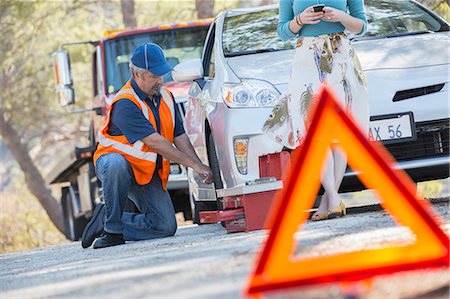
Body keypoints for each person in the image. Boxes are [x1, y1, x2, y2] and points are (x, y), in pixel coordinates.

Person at [81, 43, 213, 249]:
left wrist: (199, 166)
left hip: (145, 172)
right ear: (136, 74)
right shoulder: (126, 102)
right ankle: (113, 231)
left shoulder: (167, 97)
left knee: (165, 227)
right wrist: (194, 166)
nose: (160, 80)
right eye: (153, 76)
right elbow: (155, 142)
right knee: (116, 165)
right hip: (116, 166)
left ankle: (106, 218)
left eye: (162, 74)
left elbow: (180, 137)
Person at [263, 0, 369, 220]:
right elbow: (283, 31)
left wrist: (341, 16)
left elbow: (361, 25)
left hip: (341, 59)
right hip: (306, 61)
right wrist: (300, 20)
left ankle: (328, 203)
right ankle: (332, 197)